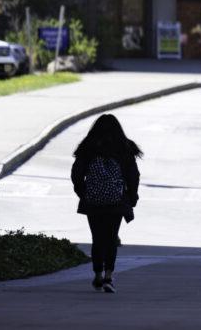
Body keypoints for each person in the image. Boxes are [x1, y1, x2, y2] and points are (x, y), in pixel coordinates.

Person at [70, 114, 142, 294]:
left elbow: (76, 173)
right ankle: (109, 276)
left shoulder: (88, 147)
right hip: (117, 201)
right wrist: (132, 196)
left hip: (92, 201)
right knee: (111, 238)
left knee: (97, 238)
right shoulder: (124, 147)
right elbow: (133, 175)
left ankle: (97, 274)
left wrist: (83, 192)